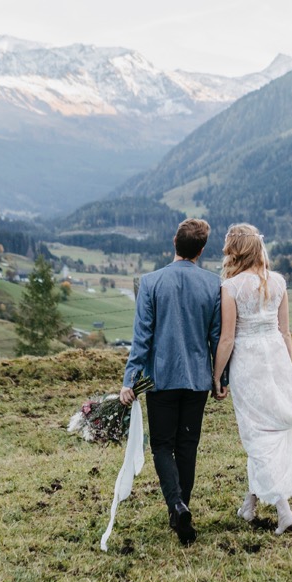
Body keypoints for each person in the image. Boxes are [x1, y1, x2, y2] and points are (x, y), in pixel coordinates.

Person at [120, 218, 222, 545]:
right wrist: (222, 379)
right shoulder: (213, 284)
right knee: (187, 446)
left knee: (162, 445)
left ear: (173, 242)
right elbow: (217, 338)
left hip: (160, 380)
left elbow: (142, 339)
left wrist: (129, 380)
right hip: (198, 381)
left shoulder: (150, 282)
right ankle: (182, 507)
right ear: (201, 250)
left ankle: (176, 505)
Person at [212, 223, 292, 535]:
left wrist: (217, 376)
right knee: (272, 432)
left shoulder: (231, 288)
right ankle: (250, 503)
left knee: (257, 436)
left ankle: (284, 511)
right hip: (276, 358)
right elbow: (286, 332)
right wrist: (287, 368)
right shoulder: (278, 282)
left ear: (235, 251)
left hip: (248, 364)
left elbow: (227, 339)